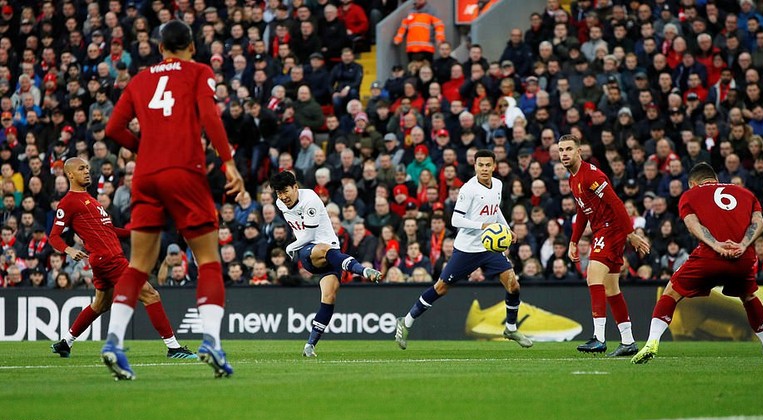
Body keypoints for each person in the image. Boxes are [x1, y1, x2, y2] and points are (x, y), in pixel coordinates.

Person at [102, 21, 245, 380]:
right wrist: (228, 162)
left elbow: (113, 130)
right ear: (192, 46)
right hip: (185, 170)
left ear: (160, 47)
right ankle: (211, 341)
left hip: (146, 176)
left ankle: (114, 342)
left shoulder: (139, 80)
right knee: (209, 258)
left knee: (138, 264)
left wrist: (145, 149)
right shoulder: (198, 71)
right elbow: (210, 115)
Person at [632, 162, 763, 365]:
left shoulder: (690, 195)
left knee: (671, 292)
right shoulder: (745, 193)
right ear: (716, 180)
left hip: (710, 256)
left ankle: (651, 342)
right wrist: (742, 244)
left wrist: (716, 245)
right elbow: (760, 222)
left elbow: (692, 223)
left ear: (693, 183)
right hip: (743, 257)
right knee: (748, 296)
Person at [48, 158, 196, 360]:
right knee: (151, 295)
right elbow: (54, 236)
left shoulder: (90, 200)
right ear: (70, 174)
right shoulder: (68, 202)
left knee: (100, 305)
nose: (87, 172)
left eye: (87, 168)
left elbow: (109, 230)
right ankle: (173, 348)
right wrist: (68, 250)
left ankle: (66, 343)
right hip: (109, 259)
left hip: (103, 259)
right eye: (81, 169)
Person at [395, 150, 533, 350]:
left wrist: (506, 228)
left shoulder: (499, 185)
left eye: (488, 165)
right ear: (475, 166)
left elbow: (495, 209)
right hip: (467, 249)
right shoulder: (468, 189)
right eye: (480, 165)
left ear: (494, 166)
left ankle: (510, 328)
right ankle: (406, 321)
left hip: (490, 247)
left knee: (513, 286)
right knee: (441, 288)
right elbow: (455, 220)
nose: (484, 169)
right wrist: (482, 226)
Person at [270, 171, 382, 357]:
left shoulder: (311, 200)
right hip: (309, 252)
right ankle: (362, 270)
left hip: (331, 253)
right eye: (278, 193)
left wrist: (290, 246)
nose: (282, 196)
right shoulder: (280, 203)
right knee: (323, 248)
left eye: (285, 191)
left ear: (296, 187)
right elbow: (308, 239)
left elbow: (310, 233)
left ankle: (310, 345)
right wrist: (295, 246)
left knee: (329, 296)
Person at [558, 134, 651, 357]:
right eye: (561, 150)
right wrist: (573, 240)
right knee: (611, 288)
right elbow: (582, 210)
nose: (564, 154)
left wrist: (630, 233)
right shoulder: (573, 178)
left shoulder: (591, 175)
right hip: (603, 229)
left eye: (569, 149)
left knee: (593, 276)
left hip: (611, 229)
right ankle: (628, 341)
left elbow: (616, 202)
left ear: (579, 151)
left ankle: (599, 338)